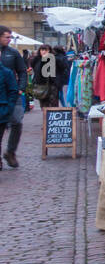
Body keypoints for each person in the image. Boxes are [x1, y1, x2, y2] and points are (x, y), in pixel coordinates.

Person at [0, 27, 27, 169]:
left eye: (10, 37)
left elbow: (22, 71)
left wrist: (21, 88)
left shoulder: (13, 53)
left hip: (13, 93)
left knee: (17, 122)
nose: (9, 40)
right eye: (6, 37)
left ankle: (10, 152)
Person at [28, 44, 61, 109]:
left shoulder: (54, 59)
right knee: (43, 106)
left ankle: (52, 118)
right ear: (39, 51)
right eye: (42, 50)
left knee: (53, 106)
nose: (44, 52)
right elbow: (37, 71)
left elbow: (59, 69)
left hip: (52, 86)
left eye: (46, 50)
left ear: (49, 51)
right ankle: (46, 118)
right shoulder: (36, 59)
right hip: (40, 86)